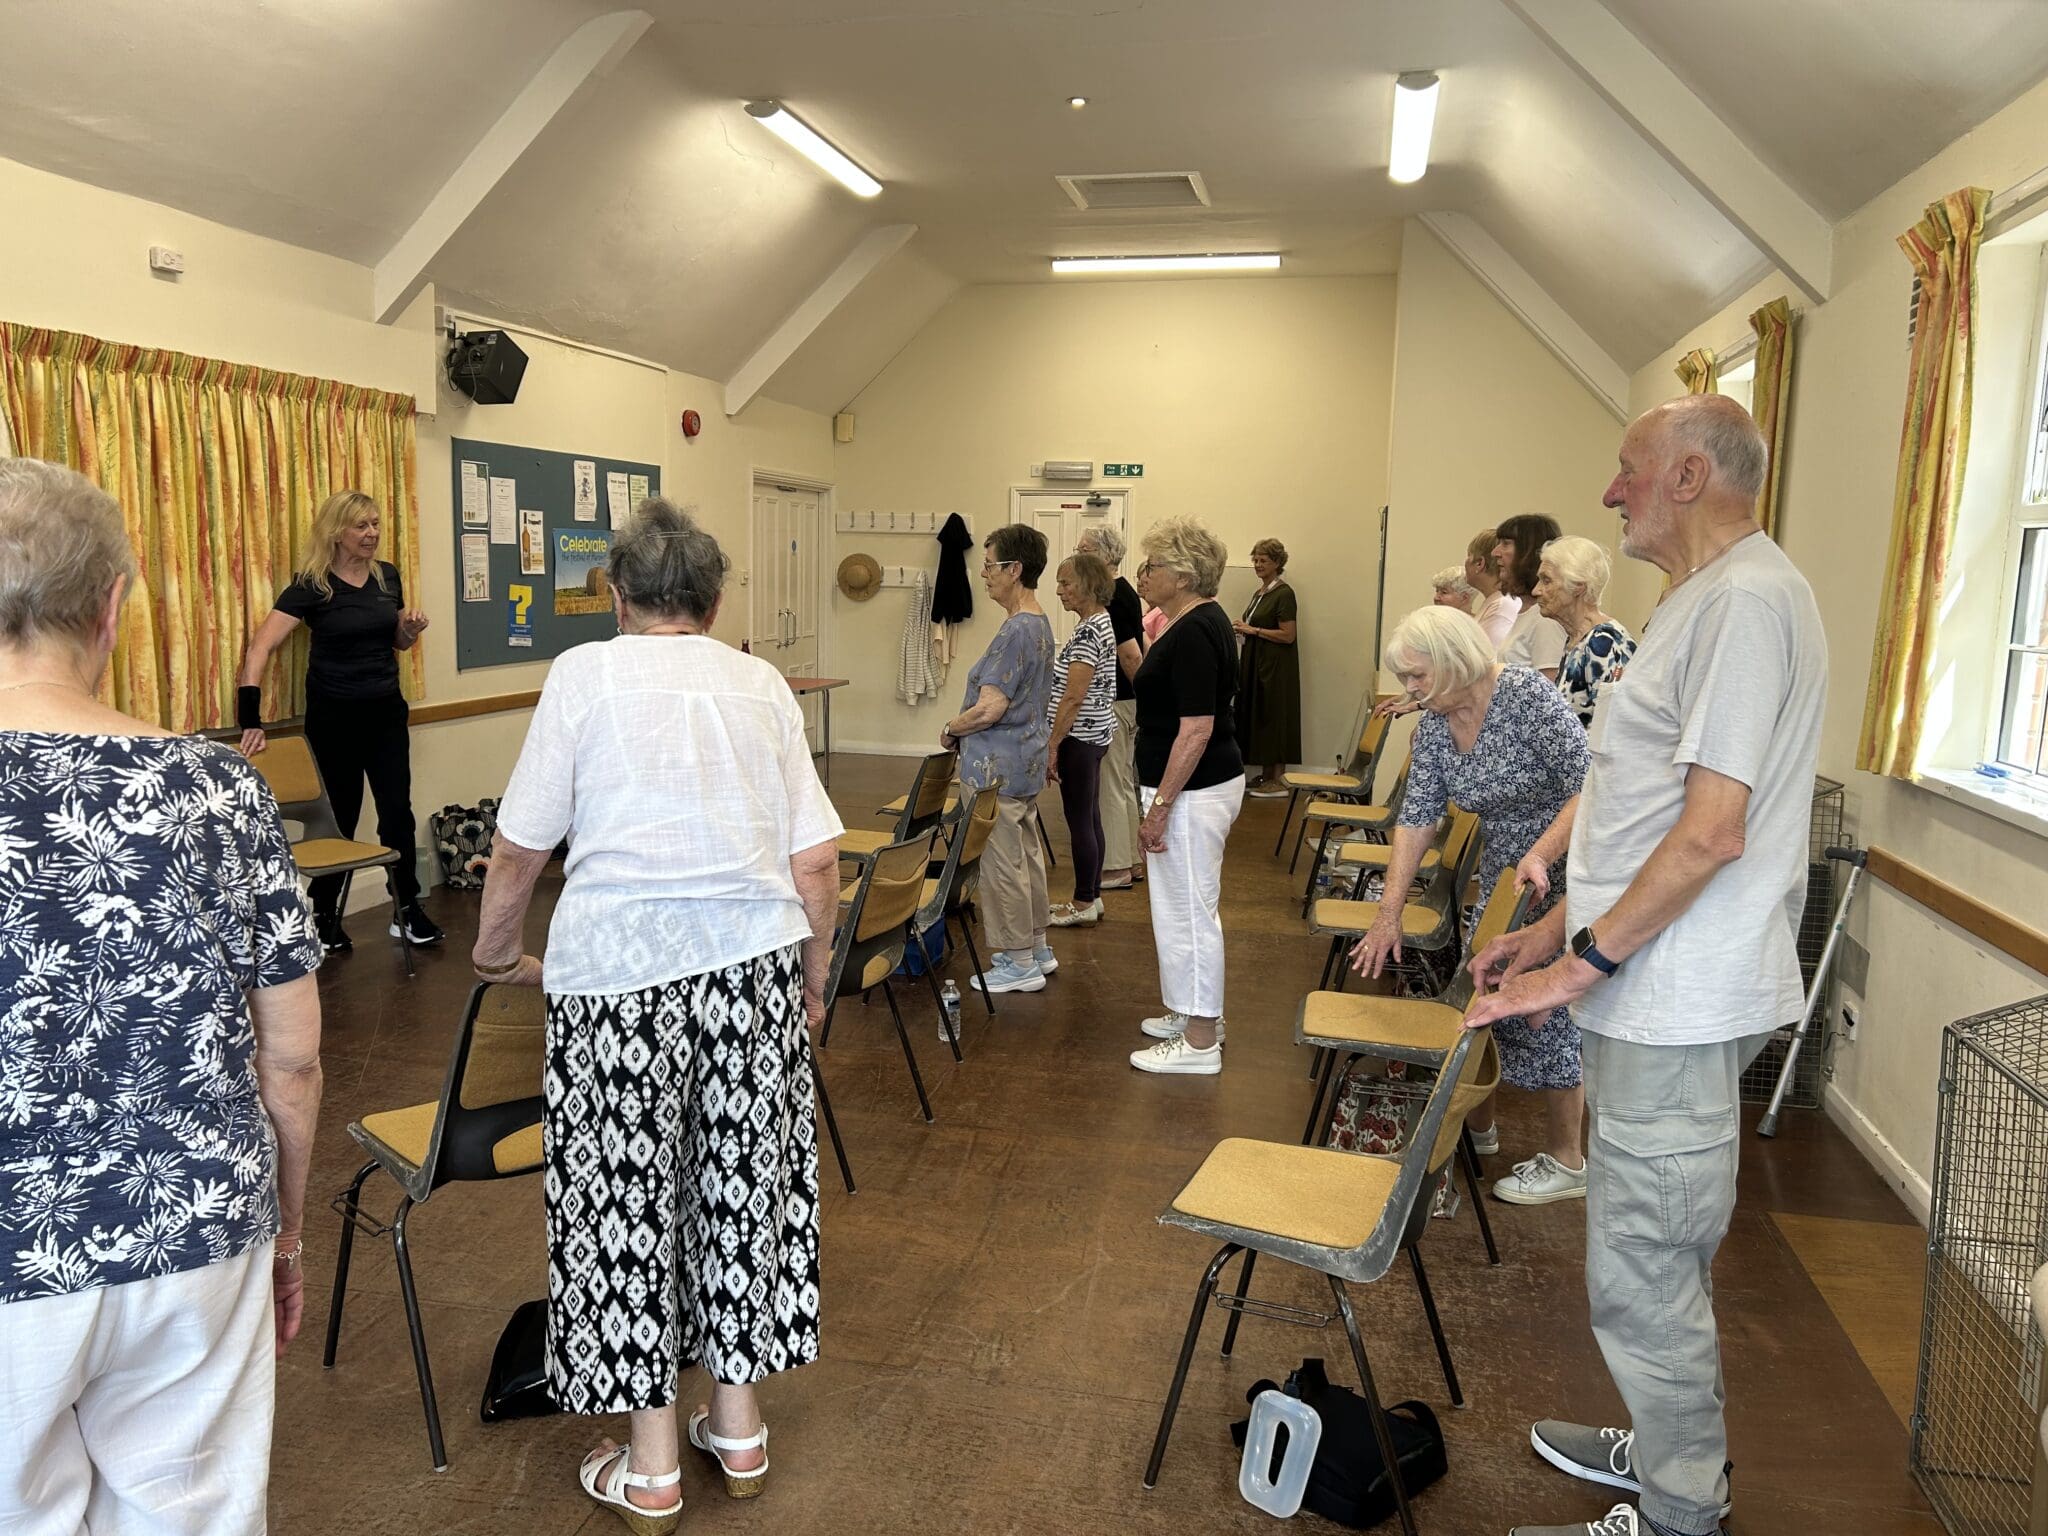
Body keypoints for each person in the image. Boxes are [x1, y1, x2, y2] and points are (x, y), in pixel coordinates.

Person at [1466, 394, 1825, 1536]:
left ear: (1684, 475)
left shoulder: (1748, 604)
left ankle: (1678, 1510)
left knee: (1644, 1266)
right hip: (1647, 985)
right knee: (1638, 1255)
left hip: (1671, 996)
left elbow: (1712, 830)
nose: (1609, 491)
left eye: (1626, 469)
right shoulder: (1700, 601)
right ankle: (1665, 1447)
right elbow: (1642, 809)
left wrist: (1571, 971)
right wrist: (1556, 918)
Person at [475, 500, 841, 1534]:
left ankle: (648, 1469)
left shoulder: (584, 676)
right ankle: (738, 1428)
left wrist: (497, 949)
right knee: (739, 1190)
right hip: (750, 976)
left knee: (625, 1209)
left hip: (617, 986)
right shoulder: (761, 683)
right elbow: (816, 863)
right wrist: (810, 984)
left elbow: (518, 848)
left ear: (616, 594)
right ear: (715, 600)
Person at [0, 458, 324, 1536]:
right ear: (110, 607)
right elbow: (291, 1056)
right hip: (196, 1219)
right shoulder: (216, 786)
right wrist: (283, 1233)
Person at [1348, 605, 1588, 1203]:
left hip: (1569, 862)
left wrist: (1543, 852)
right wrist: (1388, 913)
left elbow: (1594, 786)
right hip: (1506, 871)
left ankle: (1568, 1160)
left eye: (1417, 677)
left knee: (1546, 1010)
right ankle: (1476, 1131)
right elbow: (1417, 817)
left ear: (1455, 662)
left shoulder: (1528, 697)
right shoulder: (1433, 725)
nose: (1408, 690)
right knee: (1485, 992)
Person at [237, 490, 442, 952]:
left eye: (375, 524)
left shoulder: (387, 577)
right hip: (333, 718)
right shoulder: (312, 585)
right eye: (361, 526)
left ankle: (406, 907)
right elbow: (260, 647)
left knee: (397, 813)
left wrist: (408, 629)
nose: (372, 534)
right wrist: (250, 718)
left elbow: (398, 643)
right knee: (340, 817)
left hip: (385, 712)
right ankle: (325, 914)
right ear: (336, 532)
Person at [1127, 517, 1245, 1076]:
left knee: (1189, 914)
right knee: (1181, 909)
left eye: (1151, 566)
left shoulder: (1197, 629)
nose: (1142, 575)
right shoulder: (1195, 620)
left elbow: (1195, 729)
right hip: (1197, 786)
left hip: (1194, 791)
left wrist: (1161, 806)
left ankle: (1200, 1042)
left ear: (1182, 574)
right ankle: (1195, 1012)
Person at [943, 524, 1057, 995]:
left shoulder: (1017, 630)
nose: (984, 574)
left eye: (990, 565)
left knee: (1001, 861)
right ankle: (1037, 947)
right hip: (1023, 762)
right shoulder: (1039, 621)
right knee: (1025, 854)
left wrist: (952, 728)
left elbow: (992, 707)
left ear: (1015, 570)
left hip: (998, 768)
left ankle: (1017, 961)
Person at [1046, 553, 1119, 927]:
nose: (1059, 591)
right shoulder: (1099, 622)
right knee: (1089, 816)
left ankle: (1082, 901)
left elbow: (1074, 696)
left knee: (1079, 820)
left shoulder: (1090, 631)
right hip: (1094, 735)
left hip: (1079, 737)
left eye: (1065, 583)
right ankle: (1092, 896)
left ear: (1089, 585)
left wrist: (1053, 744)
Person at [1075, 525, 1145, 890]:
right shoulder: (1121, 594)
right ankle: (1131, 860)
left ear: (1105, 556)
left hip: (1119, 701)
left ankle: (1116, 866)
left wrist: (1142, 701)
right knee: (1120, 781)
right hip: (1125, 701)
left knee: (1110, 785)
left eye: (1084, 548)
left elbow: (1131, 654)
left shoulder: (1116, 597)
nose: (1077, 552)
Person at [1534, 535, 1637, 727]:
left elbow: (1612, 730)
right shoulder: (1578, 639)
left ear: (1578, 586)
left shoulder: (1605, 643)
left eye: (1546, 581)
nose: (1536, 590)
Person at [1233, 537, 1301, 797]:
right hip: (1256, 662)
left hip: (1275, 666)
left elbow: (1288, 635)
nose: (1258, 565)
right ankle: (1265, 773)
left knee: (1275, 715)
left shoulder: (1284, 594)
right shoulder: (1259, 593)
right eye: (1256, 560)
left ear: (1277, 563)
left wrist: (1254, 630)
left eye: (1264, 560)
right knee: (1259, 714)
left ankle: (1278, 777)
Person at [1492, 514, 1568, 680]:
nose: (1495, 552)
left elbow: (1548, 693)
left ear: (1529, 552)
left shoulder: (1546, 619)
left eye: (1506, 544)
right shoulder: (1526, 613)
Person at [1467, 526, 1521, 649]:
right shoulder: (1495, 603)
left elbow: (1489, 659)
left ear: (1479, 563)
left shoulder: (1501, 607)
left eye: (1468, 555)